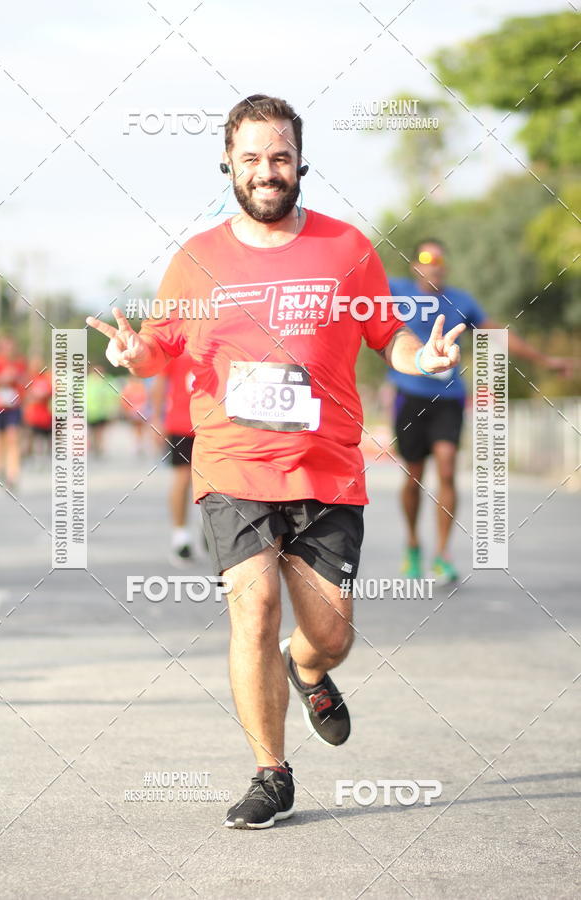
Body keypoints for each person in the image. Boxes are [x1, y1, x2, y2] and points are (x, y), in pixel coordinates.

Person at [87, 94, 465, 830]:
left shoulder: (347, 248)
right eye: (253, 158)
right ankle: (271, 773)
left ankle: (309, 667)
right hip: (232, 465)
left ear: (300, 163)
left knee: (332, 636)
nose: (267, 171)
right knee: (253, 609)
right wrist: (135, 354)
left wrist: (424, 358)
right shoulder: (197, 259)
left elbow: (387, 336)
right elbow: (161, 345)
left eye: (281, 157)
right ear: (229, 164)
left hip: (327, 469)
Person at [388, 238, 572, 584]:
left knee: (446, 468)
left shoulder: (461, 301)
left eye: (441, 259)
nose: (435, 264)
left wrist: (546, 360)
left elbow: (498, 333)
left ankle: (442, 554)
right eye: (427, 258)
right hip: (409, 396)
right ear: (414, 265)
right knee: (414, 475)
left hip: (449, 397)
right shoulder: (396, 290)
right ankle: (412, 544)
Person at [151, 355, 196, 563]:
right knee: (183, 478)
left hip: (214, 425)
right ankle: (181, 536)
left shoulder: (219, 341)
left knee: (214, 482)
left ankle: (207, 527)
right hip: (182, 424)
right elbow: (160, 382)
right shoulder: (177, 345)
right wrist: (156, 419)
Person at [0, 336, 27, 491]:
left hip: (13, 407)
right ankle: (0, 468)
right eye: (6, 346)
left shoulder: (20, 362)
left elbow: (26, 382)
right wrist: (2, 378)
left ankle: (13, 474)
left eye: (11, 346)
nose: (9, 349)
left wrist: (17, 378)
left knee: (13, 438)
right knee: (1, 439)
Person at [23, 357, 52, 460]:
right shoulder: (29, 378)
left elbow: (51, 392)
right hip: (32, 415)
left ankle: (47, 457)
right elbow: (25, 395)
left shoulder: (47, 378)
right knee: (31, 436)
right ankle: (30, 457)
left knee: (47, 436)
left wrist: (42, 395)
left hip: (45, 414)